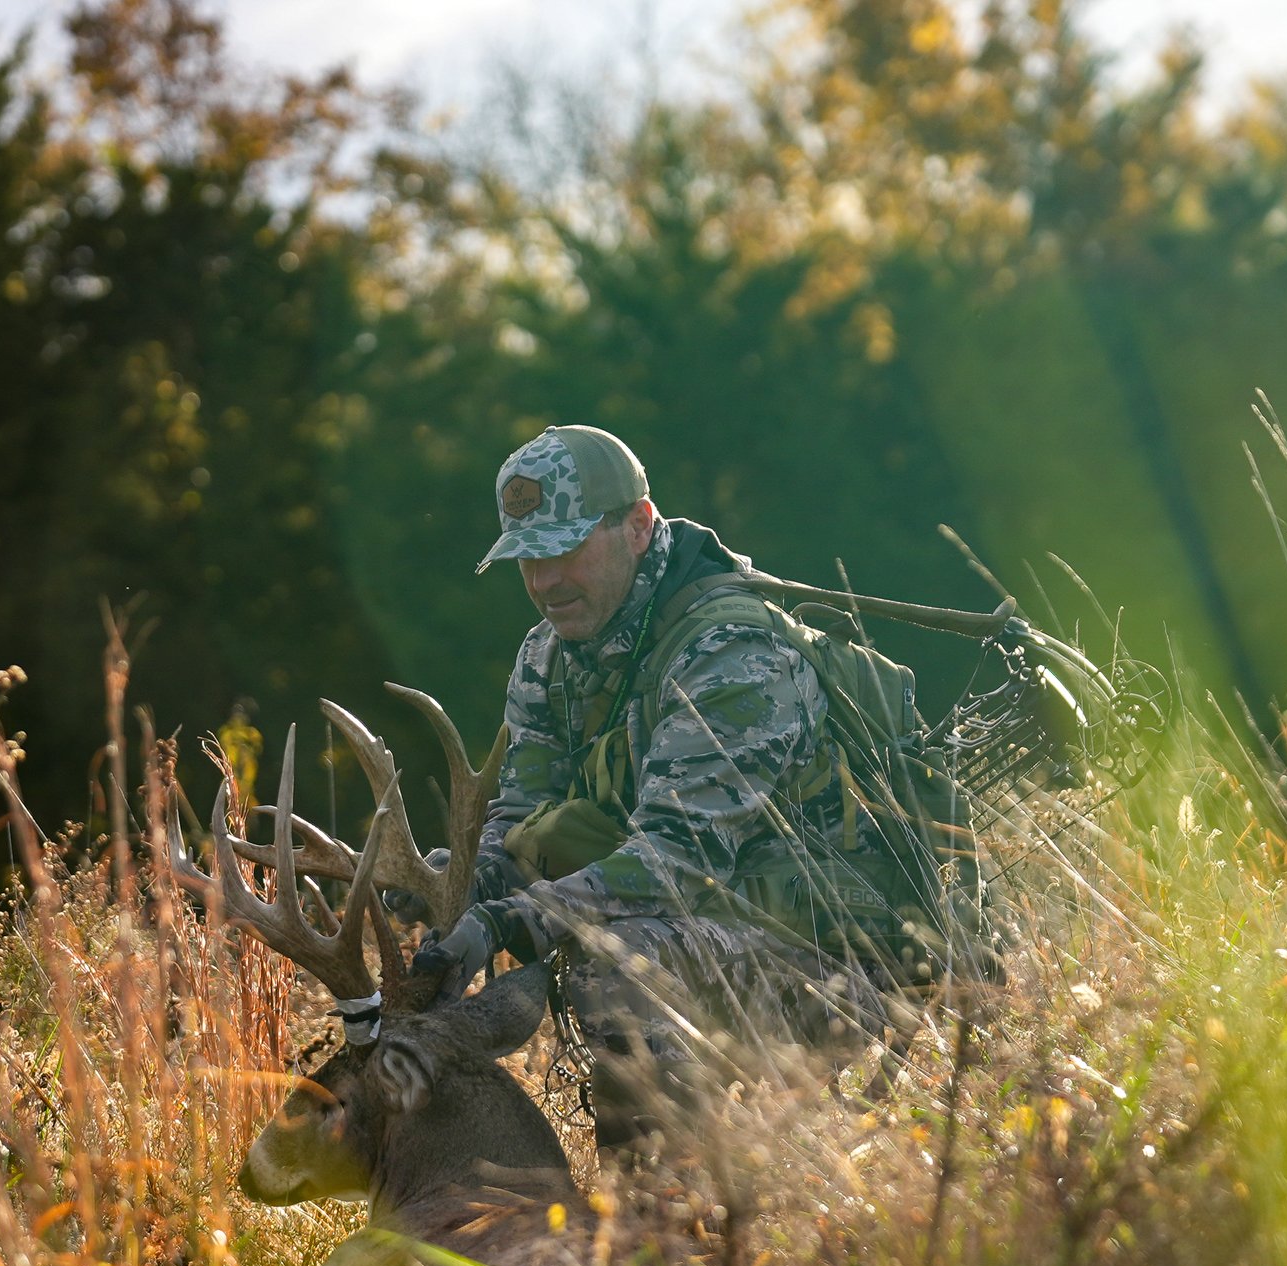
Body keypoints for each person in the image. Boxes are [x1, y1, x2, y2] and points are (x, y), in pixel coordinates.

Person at [409, 424, 967, 1143]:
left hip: (840, 966)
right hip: (711, 932)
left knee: (619, 962)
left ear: (638, 528)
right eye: (527, 558)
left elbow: (679, 860)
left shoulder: (733, 653)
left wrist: (508, 921)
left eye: (565, 549)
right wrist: (462, 885)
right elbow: (519, 821)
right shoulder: (551, 654)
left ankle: (661, 1221)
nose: (544, 582)